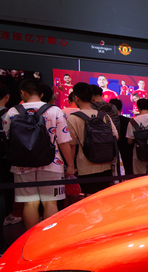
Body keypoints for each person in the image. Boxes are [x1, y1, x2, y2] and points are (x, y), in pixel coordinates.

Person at [3, 79, 75, 229]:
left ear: (22, 92)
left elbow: (9, 140)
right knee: (50, 202)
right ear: (41, 94)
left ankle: (31, 240)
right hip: (52, 163)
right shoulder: (54, 111)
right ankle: (47, 240)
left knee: (30, 203)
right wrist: (71, 165)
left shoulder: (12, 112)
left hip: (22, 164)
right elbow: (63, 141)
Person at [67, 82, 119, 196]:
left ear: (76, 98)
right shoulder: (103, 115)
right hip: (106, 164)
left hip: (86, 166)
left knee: (90, 200)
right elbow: (116, 136)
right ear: (91, 97)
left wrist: (70, 166)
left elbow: (71, 145)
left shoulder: (73, 118)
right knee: (104, 199)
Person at [0, 85, 21, 228]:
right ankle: (6, 216)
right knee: (5, 192)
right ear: (7, 97)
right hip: (4, 159)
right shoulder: (10, 114)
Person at [126, 98, 148, 175]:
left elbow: (129, 141)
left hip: (138, 155)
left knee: (140, 180)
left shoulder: (132, 122)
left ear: (138, 108)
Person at [110, 98, 133, 176]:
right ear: (121, 109)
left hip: (112, 152)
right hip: (127, 152)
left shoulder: (108, 121)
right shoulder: (129, 121)